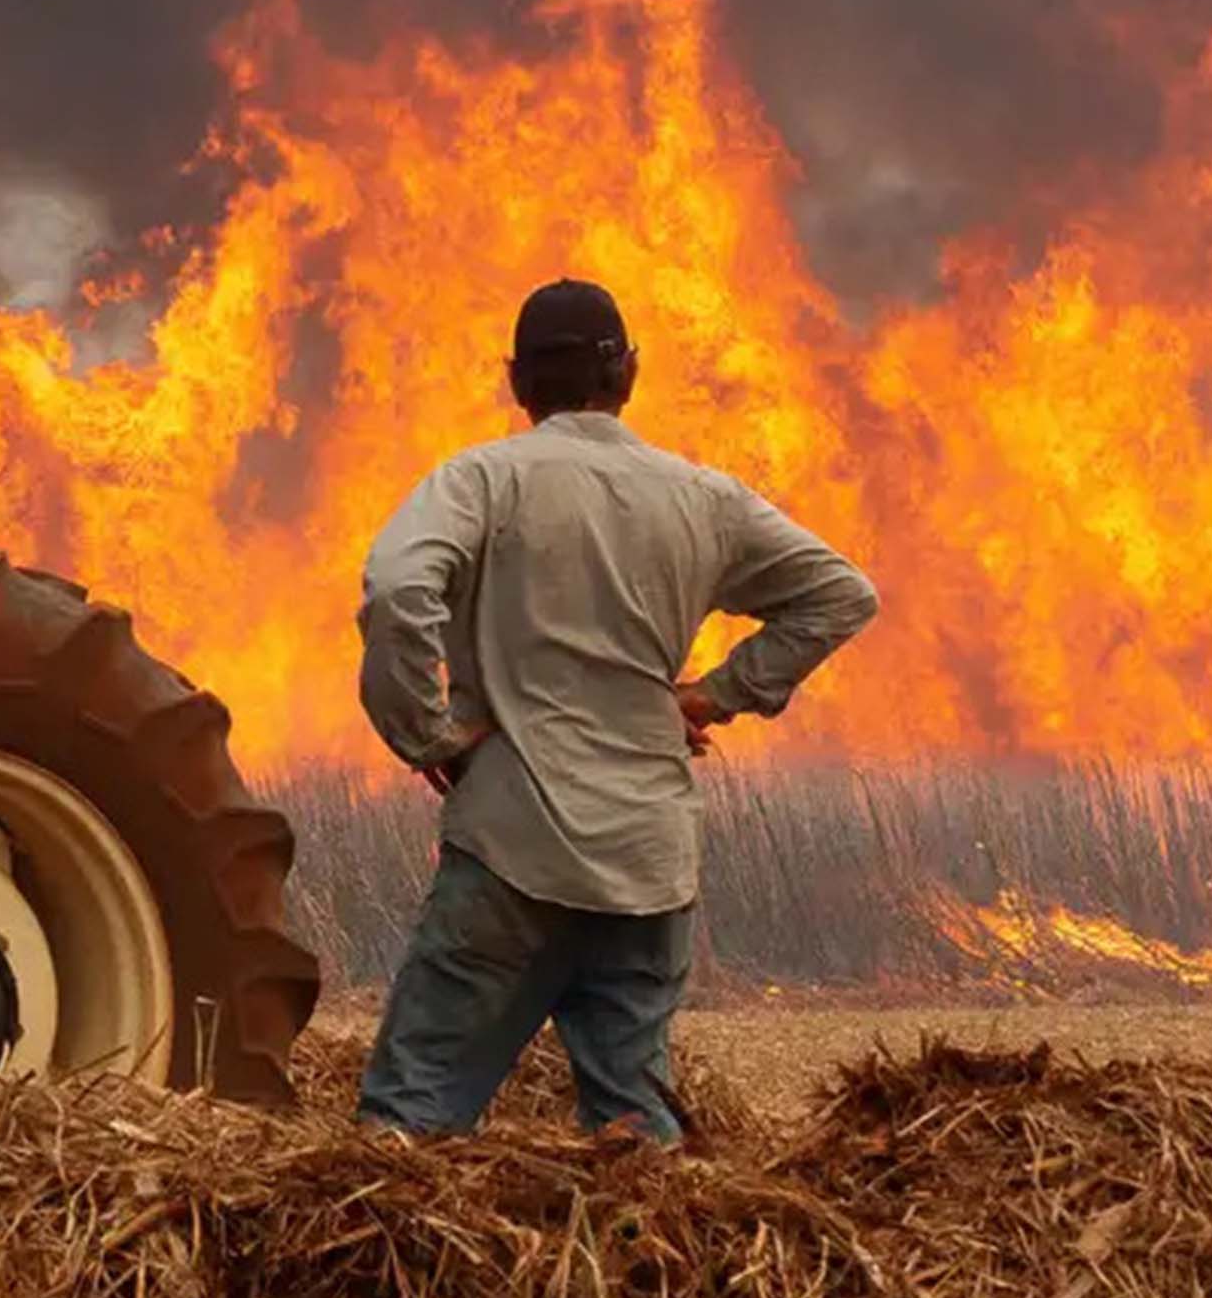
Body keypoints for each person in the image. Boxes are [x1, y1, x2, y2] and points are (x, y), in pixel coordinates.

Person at [353, 278, 878, 1143]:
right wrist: (717, 693)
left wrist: (426, 733)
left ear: (518, 383)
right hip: (648, 864)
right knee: (635, 1141)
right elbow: (840, 595)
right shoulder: (702, 499)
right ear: (627, 374)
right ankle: (645, 1272)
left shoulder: (482, 481)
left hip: (512, 851)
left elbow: (400, 588)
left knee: (407, 1129)